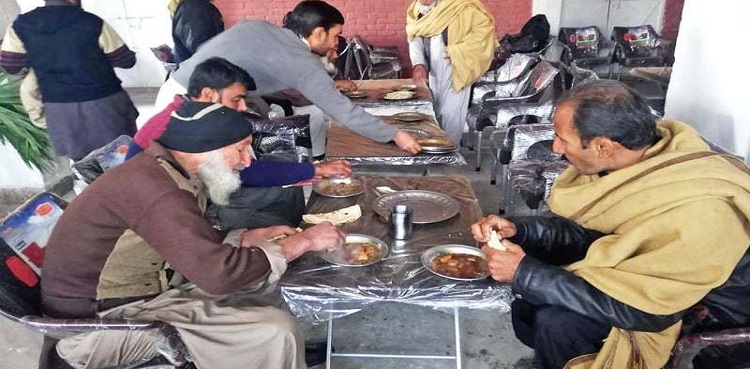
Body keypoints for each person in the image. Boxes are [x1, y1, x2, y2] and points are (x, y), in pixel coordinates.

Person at [40, 100, 346, 369]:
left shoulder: (167, 170)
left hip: (138, 296)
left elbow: (181, 242)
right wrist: (303, 241)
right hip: (97, 327)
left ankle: (277, 354)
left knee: (262, 281)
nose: (247, 161)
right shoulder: (156, 188)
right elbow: (217, 275)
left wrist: (247, 237)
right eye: (240, 149)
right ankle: (274, 349)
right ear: (204, 149)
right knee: (274, 330)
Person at [470, 80, 750, 369]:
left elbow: (651, 311)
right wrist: (521, 230)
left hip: (695, 318)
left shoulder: (703, 211)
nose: (555, 147)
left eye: (562, 139)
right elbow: (596, 236)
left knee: (558, 320)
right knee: (535, 282)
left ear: (604, 146)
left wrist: (525, 273)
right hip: (645, 283)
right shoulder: (641, 163)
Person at [156, 0, 421, 157]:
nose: (335, 42)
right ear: (318, 33)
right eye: (334, 35)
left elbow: (265, 76)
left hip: (173, 87)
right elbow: (342, 110)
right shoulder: (301, 60)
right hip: (194, 103)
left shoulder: (260, 27)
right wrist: (395, 135)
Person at [134, 57, 351, 230]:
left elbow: (241, 165)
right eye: (236, 99)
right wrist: (311, 168)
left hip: (205, 191)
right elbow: (246, 170)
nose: (242, 107)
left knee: (288, 186)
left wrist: (305, 171)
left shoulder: (199, 115)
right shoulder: (169, 124)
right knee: (277, 202)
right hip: (187, 208)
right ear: (208, 94)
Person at [0, 0, 138, 161]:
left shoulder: (21, 25)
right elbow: (126, 60)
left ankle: (95, 185)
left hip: (60, 108)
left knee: (85, 164)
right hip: (104, 105)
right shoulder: (91, 22)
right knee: (123, 160)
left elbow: (10, 64)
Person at [406, 0, 497, 145]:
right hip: (434, 71)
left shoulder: (462, 7)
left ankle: (450, 152)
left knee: (451, 114)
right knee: (435, 111)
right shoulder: (417, 9)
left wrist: (456, 50)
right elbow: (414, 37)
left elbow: (484, 35)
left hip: (458, 67)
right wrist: (418, 64)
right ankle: (436, 148)